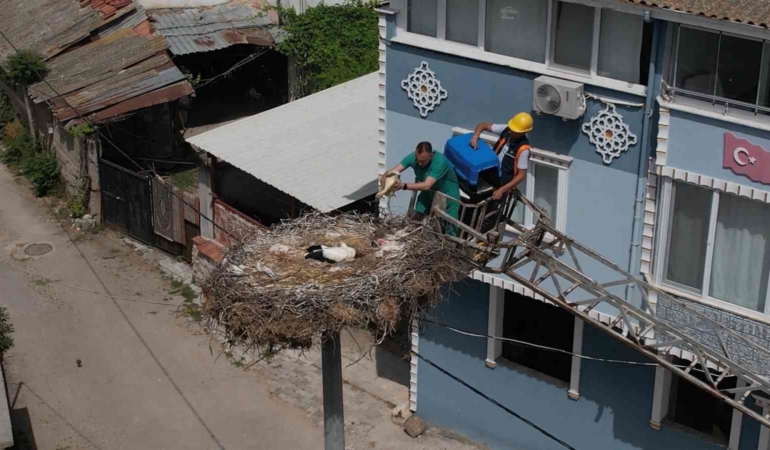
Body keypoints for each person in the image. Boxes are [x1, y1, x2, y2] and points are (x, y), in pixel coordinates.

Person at [381, 142, 461, 234]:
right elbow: (394, 171)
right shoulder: (414, 157)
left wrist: (403, 186)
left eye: (423, 161)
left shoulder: (440, 162)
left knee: (449, 228)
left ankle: (448, 246)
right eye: (417, 159)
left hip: (448, 196)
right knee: (417, 220)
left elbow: (427, 185)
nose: (419, 163)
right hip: (429, 194)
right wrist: (386, 177)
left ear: (431, 156)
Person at [470, 112, 533, 201]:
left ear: (524, 132)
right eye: (512, 129)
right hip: (489, 172)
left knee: (489, 209)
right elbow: (483, 125)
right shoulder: (506, 129)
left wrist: (502, 190)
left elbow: (521, 175)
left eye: (515, 131)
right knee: (474, 197)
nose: (511, 132)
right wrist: (475, 137)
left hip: (501, 183)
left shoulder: (523, 149)